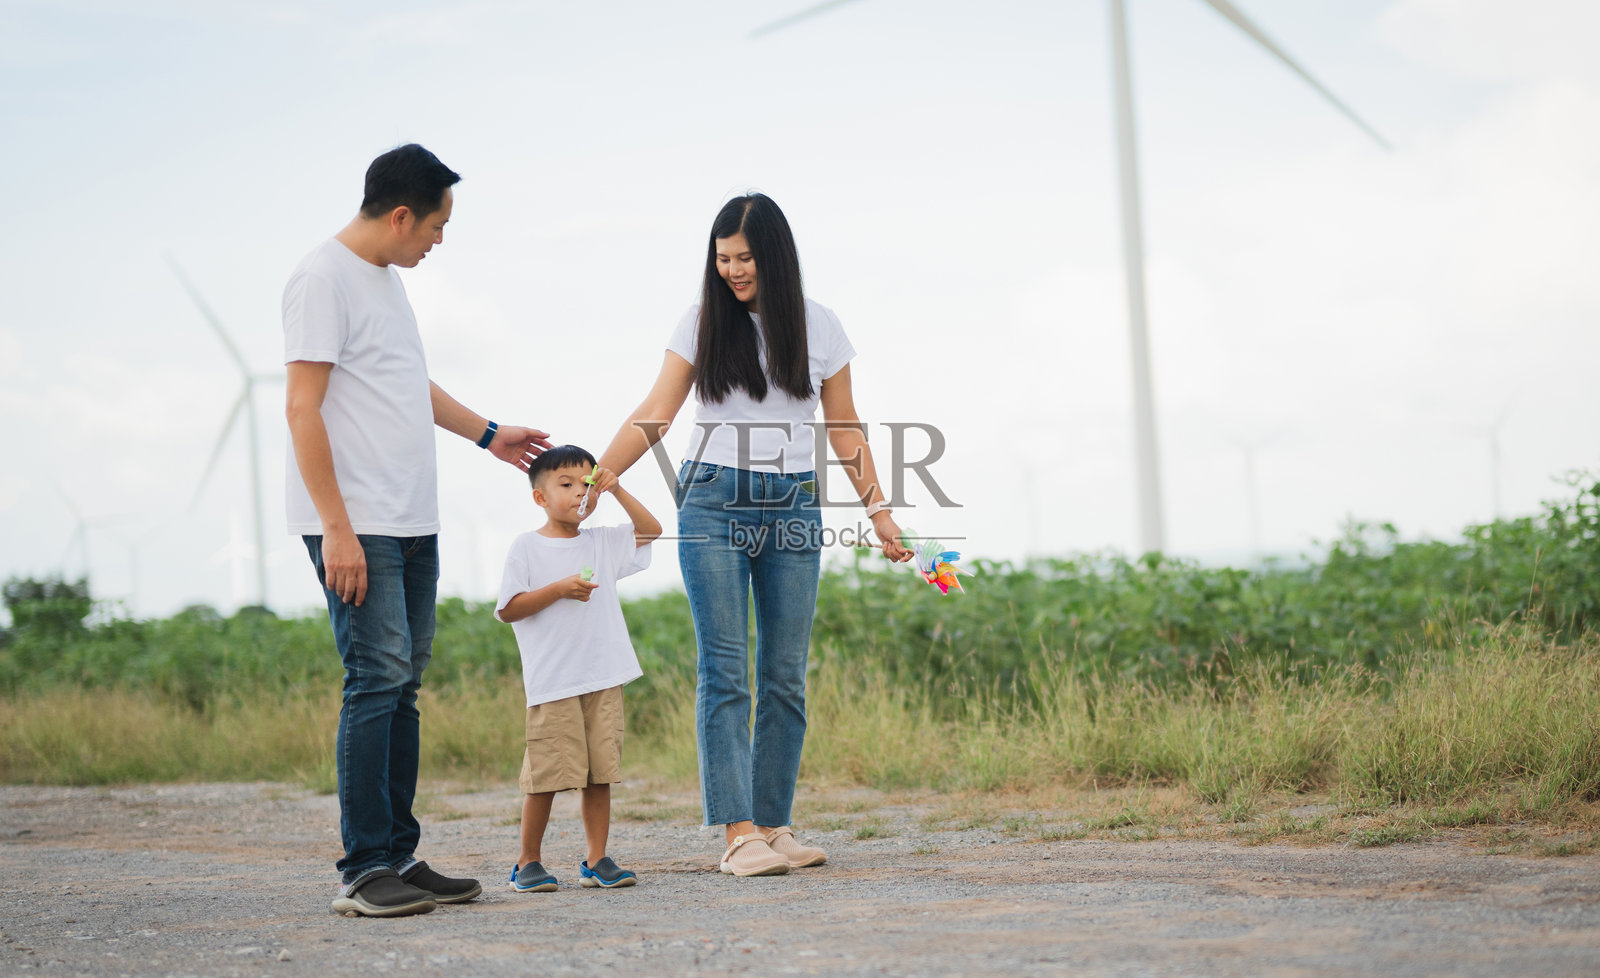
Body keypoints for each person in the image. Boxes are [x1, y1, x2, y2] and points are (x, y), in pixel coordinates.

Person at [589, 193, 913, 877]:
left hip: (795, 503)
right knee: (727, 670)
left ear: (775, 257)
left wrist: (880, 511)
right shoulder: (703, 321)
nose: (733, 271)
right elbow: (656, 410)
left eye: (744, 259)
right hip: (713, 501)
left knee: (786, 674)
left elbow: (845, 426)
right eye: (723, 259)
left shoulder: (820, 326)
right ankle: (739, 834)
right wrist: (602, 475)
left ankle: (773, 823)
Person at [283, 143, 553, 918]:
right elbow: (303, 407)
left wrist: (488, 433)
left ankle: (398, 854)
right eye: (436, 225)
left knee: (402, 686)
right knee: (374, 682)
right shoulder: (320, 278)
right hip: (356, 524)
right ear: (402, 215)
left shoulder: (384, 282)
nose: (439, 239)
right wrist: (336, 529)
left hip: (409, 517)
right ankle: (364, 868)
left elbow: (403, 379)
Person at [494, 445, 660, 892]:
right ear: (540, 497)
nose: (577, 494)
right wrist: (560, 589)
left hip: (603, 676)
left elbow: (651, 529)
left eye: (586, 485)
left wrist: (618, 488)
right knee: (546, 777)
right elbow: (509, 609)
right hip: (554, 682)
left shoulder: (602, 541)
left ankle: (597, 859)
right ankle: (527, 861)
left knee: (599, 774)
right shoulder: (527, 547)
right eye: (565, 485)